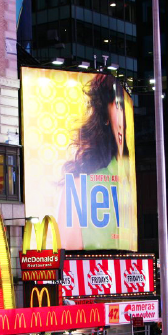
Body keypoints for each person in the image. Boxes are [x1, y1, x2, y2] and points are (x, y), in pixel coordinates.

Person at [57, 74, 133, 250]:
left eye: (124, 109)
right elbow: (68, 258)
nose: (123, 119)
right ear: (105, 115)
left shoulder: (132, 181)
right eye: (118, 106)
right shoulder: (77, 186)